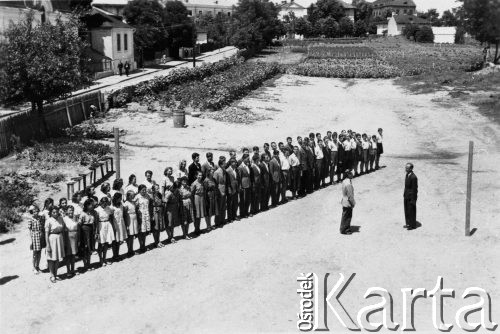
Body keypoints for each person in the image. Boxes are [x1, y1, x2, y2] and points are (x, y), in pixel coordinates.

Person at [45, 206, 66, 283]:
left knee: (57, 258)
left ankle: (56, 274)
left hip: (59, 238)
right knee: (51, 258)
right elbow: (46, 234)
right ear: (50, 213)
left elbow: (63, 228)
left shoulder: (60, 219)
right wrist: (48, 245)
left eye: (57, 212)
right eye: (53, 212)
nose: (55, 213)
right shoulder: (48, 221)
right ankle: (52, 275)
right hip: (52, 239)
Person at [95, 197, 115, 265]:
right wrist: (97, 231)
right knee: (101, 243)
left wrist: (113, 227)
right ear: (100, 202)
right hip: (101, 225)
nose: (104, 203)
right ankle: (100, 259)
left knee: (106, 243)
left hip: (107, 225)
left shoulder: (108, 208)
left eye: (106, 202)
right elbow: (96, 220)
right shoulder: (97, 210)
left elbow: (111, 217)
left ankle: (104, 258)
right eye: (103, 202)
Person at [79, 199, 96, 270]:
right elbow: (79, 224)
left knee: (89, 248)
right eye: (91, 205)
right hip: (84, 231)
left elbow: (94, 223)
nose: (93, 206)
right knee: (85, 247)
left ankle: (89, 263)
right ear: (87, 205)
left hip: (91, 230)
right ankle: (85, 264)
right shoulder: (82, 214)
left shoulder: (92, 213)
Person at [28, 205, 45, 274]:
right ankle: (34, 267)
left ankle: (38, 266)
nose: (36, 213)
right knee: (35, 253)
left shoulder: (40, 218)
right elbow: (30, 230)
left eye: (37, 211)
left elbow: (42, 226)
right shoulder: (31, 219)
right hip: (34, 236)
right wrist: (31, 239)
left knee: (39, 252)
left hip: (40, 235)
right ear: (32, 212)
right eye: (34, 211)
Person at [112, 192, 129, 259]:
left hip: (121, 223)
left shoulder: (121, 204)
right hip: (115, 223)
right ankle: (114, 255)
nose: (120, 199)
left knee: (119, 240)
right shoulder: (112, 206)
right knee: (115, 241)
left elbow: (125, 209)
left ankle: (117, 254)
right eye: (119, 198)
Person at [63, 205, 79, 277]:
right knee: (68, 255)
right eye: (69, 210)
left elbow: (77, 227)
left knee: (73, 254)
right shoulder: (64, 219)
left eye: (72, 210)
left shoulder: (75, 217)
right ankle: (68, 270)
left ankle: (73, 269)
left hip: (75, 235)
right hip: (68, 236)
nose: (71, 212)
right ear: (66, 211)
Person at [136, 184, 152, 251]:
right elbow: (135, 207)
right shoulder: (137, 197)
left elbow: (150, 203)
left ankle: (144, 245)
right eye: (143, 190)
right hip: (140, 216)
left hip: (147, 214)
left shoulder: (147, 196)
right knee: (141, 232)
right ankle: (141, 246)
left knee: (145, 231)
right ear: (139, 190)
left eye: (145, 190)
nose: (144, 191)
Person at [123, 191, 139, 255]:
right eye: (132, 195)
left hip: (134, 218)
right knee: (129, 235)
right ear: (128, 196)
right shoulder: (126, 204)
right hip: (129, 219)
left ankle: (131, 249)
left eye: (134, 195)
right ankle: (129, 250)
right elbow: (125, 214)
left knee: (132, 236)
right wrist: (126, 223)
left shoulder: (133, 202)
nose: (133, 196)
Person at [340, 170, 355, 235]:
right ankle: (345, 230)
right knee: (347, 216)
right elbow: (350, 195)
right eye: (351, 173)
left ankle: (343, 228)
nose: (352, 174)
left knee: (345, 215)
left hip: (344, 200)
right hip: (348, 201)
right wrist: (353, 203)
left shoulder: (345, 181)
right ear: (348, 175)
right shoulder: (348, 183)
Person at [404, 163, 418, 230]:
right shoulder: (407, 175)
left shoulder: (414, 177)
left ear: (411, 169)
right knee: (406, 210)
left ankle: (412, 225)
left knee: (411, 211)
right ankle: (408, 223)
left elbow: (415, 189)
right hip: (406, 195)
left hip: (411, 197)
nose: (406, 169)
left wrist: (413, 199)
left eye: (407, 168)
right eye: (406, 167)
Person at [213, 157, 227, 227]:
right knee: (218, 207)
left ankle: (222, 220)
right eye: (224, 163)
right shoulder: (217, 172)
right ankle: (217, 222)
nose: (226, 164)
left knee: (223, 207)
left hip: (224, 190)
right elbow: (215, 183)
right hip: (219, 191)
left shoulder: (224, 171)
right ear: (221, 164)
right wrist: (218, 192)